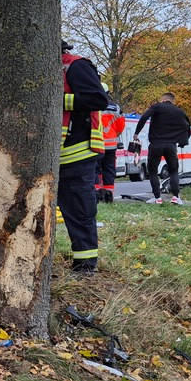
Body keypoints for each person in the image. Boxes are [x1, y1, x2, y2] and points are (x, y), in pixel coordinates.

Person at [59, 39, 109, 274]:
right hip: (49, 158)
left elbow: (98, 99)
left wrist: (57, 101)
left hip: (77, 153)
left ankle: (85, 267)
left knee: (80, 212)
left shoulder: (76, 66)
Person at [133, 92, 191, 205]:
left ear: (163, 99)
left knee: (153, 171)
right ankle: (175, 197)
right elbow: (187, 126)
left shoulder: (157, 107)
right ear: (172, 101)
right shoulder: (179, 111)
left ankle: (157, 198)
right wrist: (183, 141)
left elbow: (144, 117)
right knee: (173, 171)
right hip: (171, 145)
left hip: (156, 144)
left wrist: (136, 133)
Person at [94, 84, 125, 203]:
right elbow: (120, 126)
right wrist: (113, 135)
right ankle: (108, 195)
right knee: (109, 169)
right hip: (111, 145)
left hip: (95, 143)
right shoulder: (116, 108)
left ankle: (95, 194)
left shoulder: (91, 105)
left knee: (94, 169)